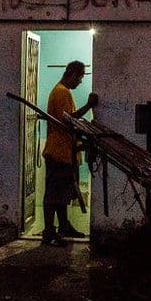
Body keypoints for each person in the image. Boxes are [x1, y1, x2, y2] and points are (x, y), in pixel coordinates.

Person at [42, 60, 98, 246]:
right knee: (54, 194)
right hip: (58, 151)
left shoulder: (62, 92)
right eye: (80, 78)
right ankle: (49, 231)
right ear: (72, 74)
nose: (80, 82)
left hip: (63, 151)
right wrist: (89, 105)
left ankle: (63, 226)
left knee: (61, 194)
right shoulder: (61, 93)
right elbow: (68, 120)